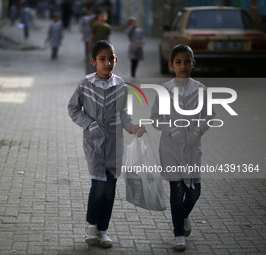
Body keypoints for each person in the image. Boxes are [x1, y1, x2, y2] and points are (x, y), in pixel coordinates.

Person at [68, 40, 145, 248]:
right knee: (98, 185)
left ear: (116, 60)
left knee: (110, 188)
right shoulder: (85, 84)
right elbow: (73, 109)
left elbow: (125, 115)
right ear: (93, 61)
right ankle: (91, 227)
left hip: (114, 145)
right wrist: (89, 124)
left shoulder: (120, 85)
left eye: (111, 59)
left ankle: (103, 230)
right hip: (94, 145)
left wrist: (133, 128)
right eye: (102, 59)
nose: (107, 63)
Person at [150, 44, 215, 251]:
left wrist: (198, 130)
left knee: (195, 191)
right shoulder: (165, 90)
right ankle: (179, 234)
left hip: (192, 148)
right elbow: (155, 118)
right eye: (178, 62)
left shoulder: (201, 89)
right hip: (171, 148)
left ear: (193, 64)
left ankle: (184, 215)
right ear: (171, 65)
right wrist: (171, 129)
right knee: (177, 190)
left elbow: (209, 114)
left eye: (187, 61)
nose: (183, 66)